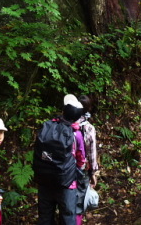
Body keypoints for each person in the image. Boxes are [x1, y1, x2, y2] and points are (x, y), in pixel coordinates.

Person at [37, 94, 86, 225]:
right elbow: (81, 159)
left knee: (45, 217)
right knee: (68, 216)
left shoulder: (48, 127)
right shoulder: (76, 134)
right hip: (67, 182)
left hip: (44, 180)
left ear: (63, 111)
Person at [76, 95, 99, 225]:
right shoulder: (88, 128)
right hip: (81, 169)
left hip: (63, 168)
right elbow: (92, 153)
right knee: (79, 202)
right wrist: (93, 172)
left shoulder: (65, 124)